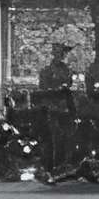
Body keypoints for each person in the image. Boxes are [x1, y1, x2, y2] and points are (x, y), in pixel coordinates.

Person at [36, 41, 77, 173]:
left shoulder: (67, 69)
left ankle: (65, 163)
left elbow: (69, 83)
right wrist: (55, 89)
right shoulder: (47, 71)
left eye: (63, 53)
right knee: (54, 137)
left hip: (65, 107)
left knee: (68, 136)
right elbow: (43, 89)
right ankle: (52, 165)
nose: (62, 55)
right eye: (60, 53)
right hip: (52, 108)